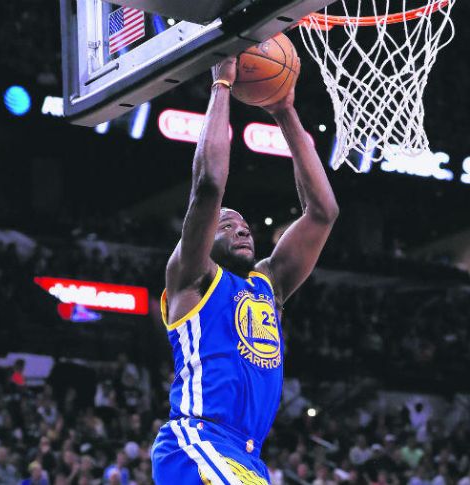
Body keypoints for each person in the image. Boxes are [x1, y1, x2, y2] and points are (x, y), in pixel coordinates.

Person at [150, 52, 339, 484]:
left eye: (245, 225)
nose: (242, 230)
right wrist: (221, 86)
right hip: (197, 441)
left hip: (247, 456)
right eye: (227, 224)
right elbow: (209, 184)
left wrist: (285, 110)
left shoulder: (267, 284)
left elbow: (323, 212)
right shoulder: (191, 278)